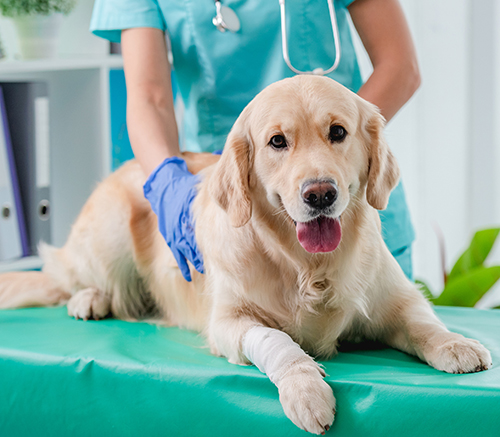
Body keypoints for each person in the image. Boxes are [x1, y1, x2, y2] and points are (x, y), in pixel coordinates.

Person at [90, 0, 420, 282]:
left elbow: (399, 67)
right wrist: (166, 181)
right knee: (249, 338)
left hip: (348, 210)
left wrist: (344, 135)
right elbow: (149, 96)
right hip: (232, 204)